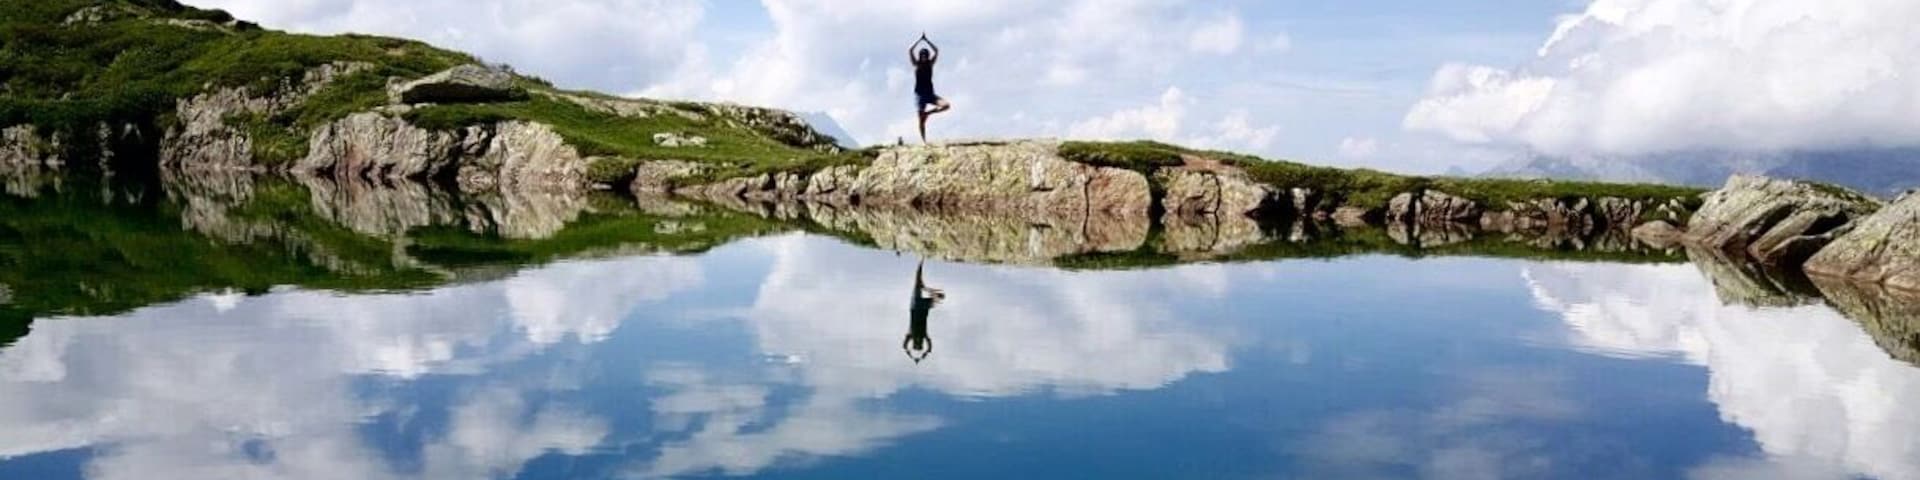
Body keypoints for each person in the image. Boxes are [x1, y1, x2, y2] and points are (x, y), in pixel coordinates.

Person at [908, 33, 951, 144]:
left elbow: (936, 50)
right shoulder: (916, 64)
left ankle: (928, 113)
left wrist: (926, 40)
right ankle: (924, 141)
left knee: (946, 105)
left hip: (930, 94)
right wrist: (919, 40)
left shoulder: (930, 64)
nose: (923, 57)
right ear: (919, 56)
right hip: (919, 95)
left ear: (927, 56)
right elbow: (910, 50)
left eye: (925, 55)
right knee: (921, 119)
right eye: (922, 55)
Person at [904, 259, 945, 363]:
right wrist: (917, 355)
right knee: (939, 295)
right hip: (918, 307)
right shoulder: (914, 335)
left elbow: (929, 346)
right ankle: (920, 264)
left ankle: (920, 263)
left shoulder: (918, 335)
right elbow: (905, 346)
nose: (918, 342)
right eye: (919, 344)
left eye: (917, 344)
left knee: (918, 283)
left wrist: (923, 354)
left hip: (919, 307)